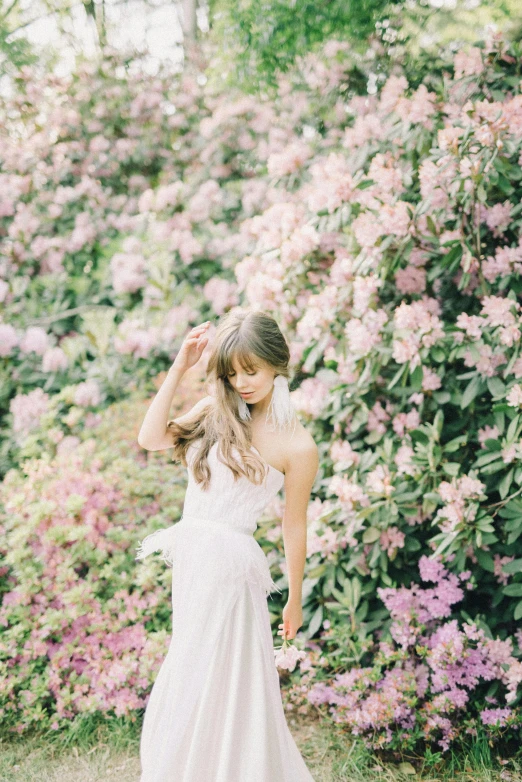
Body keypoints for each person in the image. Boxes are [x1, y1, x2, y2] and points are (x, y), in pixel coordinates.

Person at [135, 307, 319, 781]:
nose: (241, 382)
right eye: (232, 372)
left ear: (278, 363)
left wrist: (294, 598)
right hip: (194, 558)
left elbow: (293, 526)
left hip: (233, 567)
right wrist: (181, 367)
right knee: (191, 664)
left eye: (251, 370)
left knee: (229, 675)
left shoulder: (297, 446)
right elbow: (150, 437)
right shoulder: (214, 412)